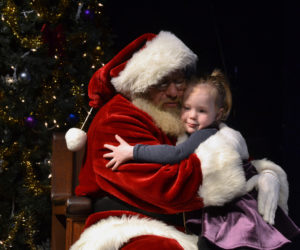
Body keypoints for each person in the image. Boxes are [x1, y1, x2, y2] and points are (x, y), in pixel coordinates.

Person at [69, 31, 295, 249]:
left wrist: (262, 175)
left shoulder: (179, 113)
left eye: (179, 82)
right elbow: (164, 186)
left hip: (193, 224)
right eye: (163, 83)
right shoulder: (117, 118)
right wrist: (234, 177)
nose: (174, 93)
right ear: (141, 84)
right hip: (128, 224)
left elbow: (223, 147)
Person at [102, 70, 300, 249]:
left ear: (218, 114)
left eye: (201, 111)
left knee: (222, 243)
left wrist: (132, 151)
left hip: (234, 211)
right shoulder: (208, 132)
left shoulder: (205, 133)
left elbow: (175, 155)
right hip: (235, 208)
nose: (191, 116)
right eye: (187, 108)